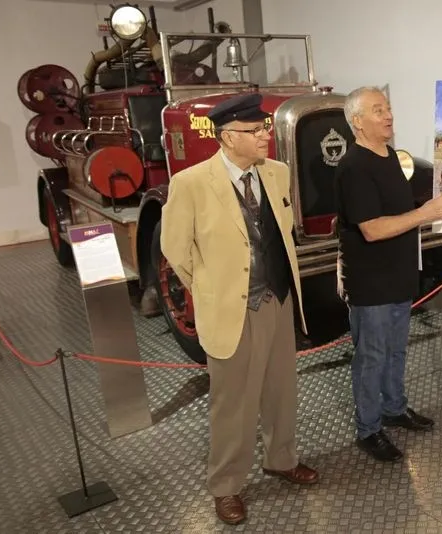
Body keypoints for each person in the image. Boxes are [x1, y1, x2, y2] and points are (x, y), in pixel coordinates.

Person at [161, 93, 319, 526]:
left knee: (281, 391)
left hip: (279, 299)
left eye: (264, 128)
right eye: (255, 131)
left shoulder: (277, 173)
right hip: (231, 309)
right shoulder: (191, 183)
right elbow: (176, 250)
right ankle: (226, 485)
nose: (265, 136)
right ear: (228, 137)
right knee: (232, 404)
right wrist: (213, 288)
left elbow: (279, 233)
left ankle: (281, 459)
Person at [334, 86, 442, 462]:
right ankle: (369, 429)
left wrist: (439, 207)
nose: (388, 115)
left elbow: (400, 210)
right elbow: (372, 229)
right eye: (378, 110)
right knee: (371, 356)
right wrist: (426, 214)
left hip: (399, 275)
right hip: (371, 282)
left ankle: (394, 408)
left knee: (395, 352)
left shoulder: (390, 156)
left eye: (388, 108)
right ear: (357, 122)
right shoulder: (353, 167)